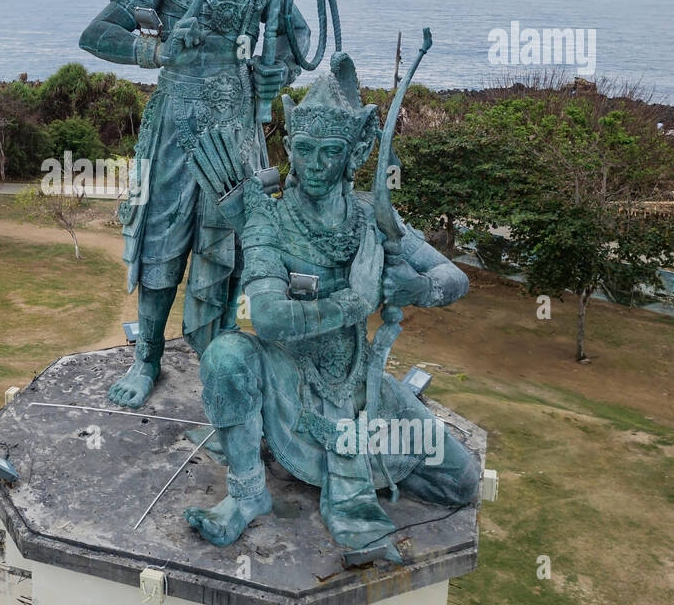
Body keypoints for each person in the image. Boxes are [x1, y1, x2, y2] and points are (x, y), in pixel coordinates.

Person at [182, 53, 480, 559]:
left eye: (330, 152)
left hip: (359, 385)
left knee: (461, 479)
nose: (316, 165)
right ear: (290, 152)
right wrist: (355, 302)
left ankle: (332, 464)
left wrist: (417, 290)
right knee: (227, 357)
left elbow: (454, 277)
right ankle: (247, 491)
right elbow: (272, 318)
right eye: (305, 150)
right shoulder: (268, 219)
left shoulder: (372, 217)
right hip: (285, 375)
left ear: (351, 155)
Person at [78, 0, 301, 409]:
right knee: (163, 242)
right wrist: (158, 47)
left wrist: (275, 67)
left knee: (224, 246)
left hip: (236, 128)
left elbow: (291, 44)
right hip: (176, 123)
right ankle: (147, 356)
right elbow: (95, 34)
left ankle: (217, 351)